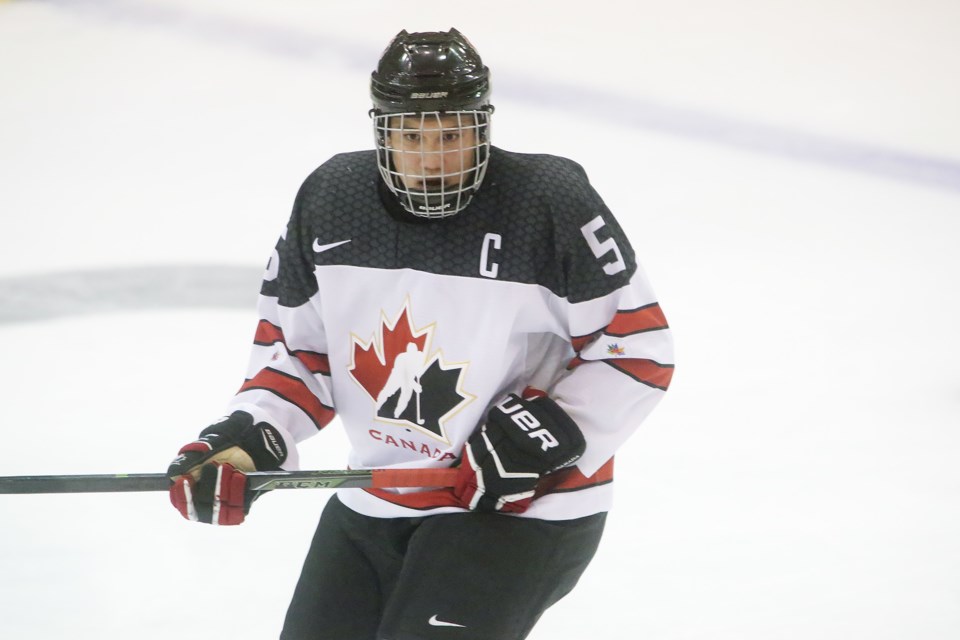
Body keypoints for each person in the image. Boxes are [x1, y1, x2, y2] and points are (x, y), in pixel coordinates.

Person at [167, 27, 675, 640]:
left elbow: (637, 349)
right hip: (377, 495)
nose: (432, 156)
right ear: (382, 130)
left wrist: (544, 437)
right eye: (411, 135)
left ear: (482, 127)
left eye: (452, 134)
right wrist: (250, 440)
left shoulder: (547, 201)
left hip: (516, 510)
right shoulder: (331, 200)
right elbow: (299, 357)